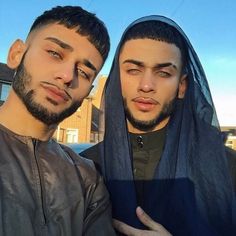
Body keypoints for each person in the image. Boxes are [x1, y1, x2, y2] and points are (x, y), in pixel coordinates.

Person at [81, 15, 236, 236]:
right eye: (133, 70)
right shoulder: (83, 168)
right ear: (117, 79)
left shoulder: (227, 169)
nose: (146, 85)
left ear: (182, 86)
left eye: (163, 73)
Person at [0, 5, 116, 235]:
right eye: (55, 53)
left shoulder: (87, 178)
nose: (67, 76)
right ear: (16, 54)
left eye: (83, 72)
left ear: (88, 92)